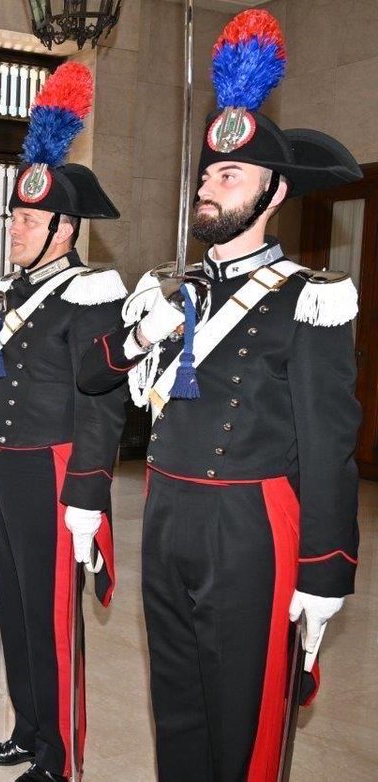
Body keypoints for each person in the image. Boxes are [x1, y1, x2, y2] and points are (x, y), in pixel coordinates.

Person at [77, 11, 361, 780]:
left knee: (245, 712)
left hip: (251, 525)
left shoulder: (311, 297)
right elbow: (94, 374)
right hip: (166, 509)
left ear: (272, 194)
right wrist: (142, 334)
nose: (208, 186)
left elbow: (331, 444)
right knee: (177, 701)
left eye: (228, 176)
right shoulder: (170, 289)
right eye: (206, 174)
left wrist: (325, 568)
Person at [0, 63, 127, 782]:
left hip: (55, 465)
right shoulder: (12, 290)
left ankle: (59, 757)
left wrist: (87, 489)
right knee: (17, 603)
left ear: (65, 227)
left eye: (29, 220)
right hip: (8, 456)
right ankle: (29, 727)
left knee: (54, 617)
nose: (15, 229)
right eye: (14, 217)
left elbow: (102, 399)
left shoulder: (90, 291)